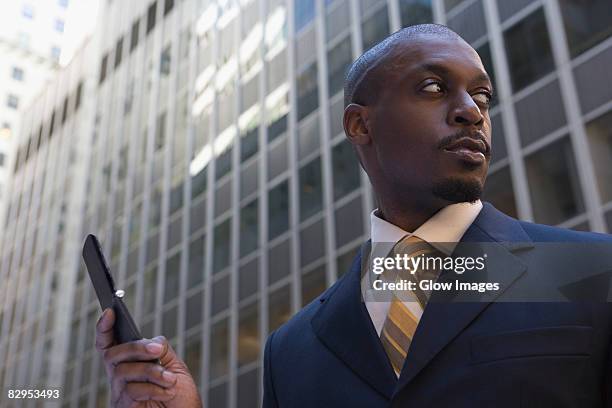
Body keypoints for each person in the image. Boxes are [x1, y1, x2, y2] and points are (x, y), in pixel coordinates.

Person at [95, 24, 612, 407]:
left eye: (481, 96)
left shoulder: (590, 273)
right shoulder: (291, 348)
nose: (472, 111)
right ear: (359, 126)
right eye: (433, 88)